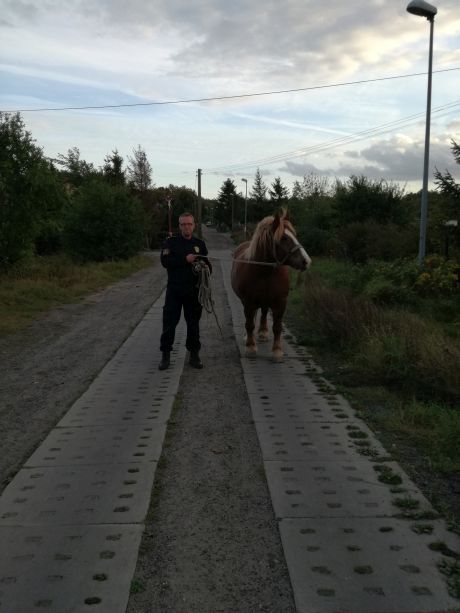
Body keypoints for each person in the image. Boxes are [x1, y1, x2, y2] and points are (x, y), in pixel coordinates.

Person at [158, 212, 212, 370]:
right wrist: (185, 260)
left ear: (194, 225)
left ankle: (194, 355)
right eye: (183, 224)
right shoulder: (171, 243)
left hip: (194, 292)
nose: (187, 227)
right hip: (175, 291)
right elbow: (165, 261)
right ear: (179, 226)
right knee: (169, 324)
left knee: (193, 325)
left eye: (189, 224)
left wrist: (206, 268)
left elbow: (207, 263)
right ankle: (165, 355)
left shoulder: (199, 244)